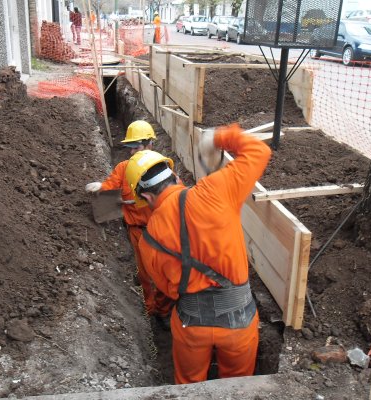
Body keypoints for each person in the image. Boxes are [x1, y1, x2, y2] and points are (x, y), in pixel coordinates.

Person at [125, 124, 272, 384]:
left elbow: (168, 291)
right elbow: (258, 150)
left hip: (191, 327)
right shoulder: (215, 190)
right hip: (239, 321)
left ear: (146, 197)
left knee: (190, 389)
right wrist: (218, 137)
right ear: (176, 176)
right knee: (238, 389)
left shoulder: (148, 241)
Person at [85, 121, 174, 325]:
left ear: (150, 143)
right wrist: (101, 187)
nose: (133, 151)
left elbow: (176, 193)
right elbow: (111, 185)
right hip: (138, 232)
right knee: (145, 275)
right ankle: (150, 311)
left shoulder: (161, 166)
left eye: (137, 146)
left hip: (163, 232)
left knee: (166, 275)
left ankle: (163, 310)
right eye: (130, 147)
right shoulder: (124, 168)